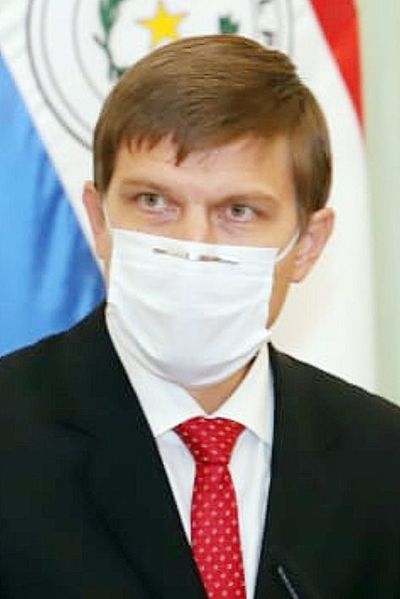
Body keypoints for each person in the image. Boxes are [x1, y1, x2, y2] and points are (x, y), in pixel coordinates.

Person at [0, 34, 399, 599]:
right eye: (154, 202)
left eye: (238, 210)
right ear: (100, 218)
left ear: (308, 244)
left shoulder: (382, 457)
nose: (193, 245)